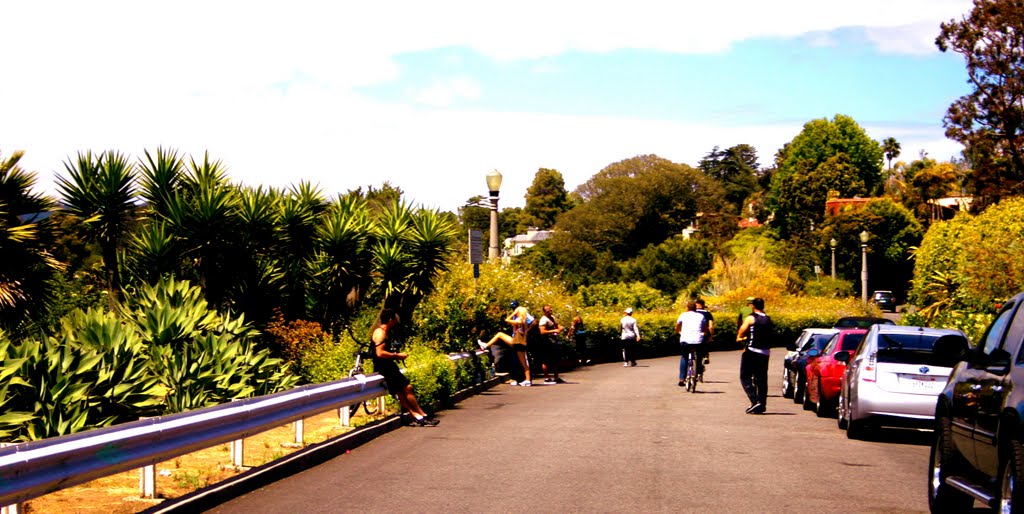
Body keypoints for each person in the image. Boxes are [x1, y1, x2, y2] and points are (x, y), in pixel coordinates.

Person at [371, 308, 439, 426]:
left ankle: (418, 416)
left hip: (388, 365)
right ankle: (422, 415)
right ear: (390, 320)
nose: (396, 322)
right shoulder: (380, 333)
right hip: (385, 367)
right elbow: (379, 353)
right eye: (395, 320)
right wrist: (398, 356)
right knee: (407, 388)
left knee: (401, 392)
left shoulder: (386, 332)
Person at [479, 300, 534, 386]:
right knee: (519, 361)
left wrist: (514, 314)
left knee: (523, 362)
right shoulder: (522, 320)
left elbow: (507, 320)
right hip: (518, 341)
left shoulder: (519, 320)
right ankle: (523, 379)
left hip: (517, 341)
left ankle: (527, 380)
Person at [736, 297, 773, 414]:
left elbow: (741, 332)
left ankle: (755, 400)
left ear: (752, 306)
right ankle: (762, 403)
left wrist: (741, 338)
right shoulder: (768, 319)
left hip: (752, 351)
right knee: (762, 379)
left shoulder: (751, 318)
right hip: (765, 352)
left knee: (745, 376)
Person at [675, 301, 707, 386]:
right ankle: (698, 372)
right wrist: (704, 333)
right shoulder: (701, 316)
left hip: (685, 340)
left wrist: (678, 332)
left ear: (687, 308)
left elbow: (677, 326)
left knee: (684, 357)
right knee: (699, 357)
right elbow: (704, 329)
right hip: (698, 341)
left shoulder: (683, 315)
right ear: (695, 308)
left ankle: (682, 378)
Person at [538, 305, 565, 383]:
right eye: (548, 311)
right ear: (544, 312)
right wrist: (553, 331)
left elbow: (557, 325)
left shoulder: (552, 317)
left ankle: (556, 377)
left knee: (555, 359)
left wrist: (560, 328)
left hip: (554, 341)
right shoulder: (543, 320)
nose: (550, 311)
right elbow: (542, 331)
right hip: (546, 342)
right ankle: (547, 378)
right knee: (546, 360)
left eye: (550, 310)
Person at [695, 298, 715, 374]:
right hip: (704, 332)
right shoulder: (707, 313)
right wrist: (711, 336)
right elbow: (711, 326)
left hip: (691, 334)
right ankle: (706, 356)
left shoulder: (692, 313)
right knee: (706, 342)